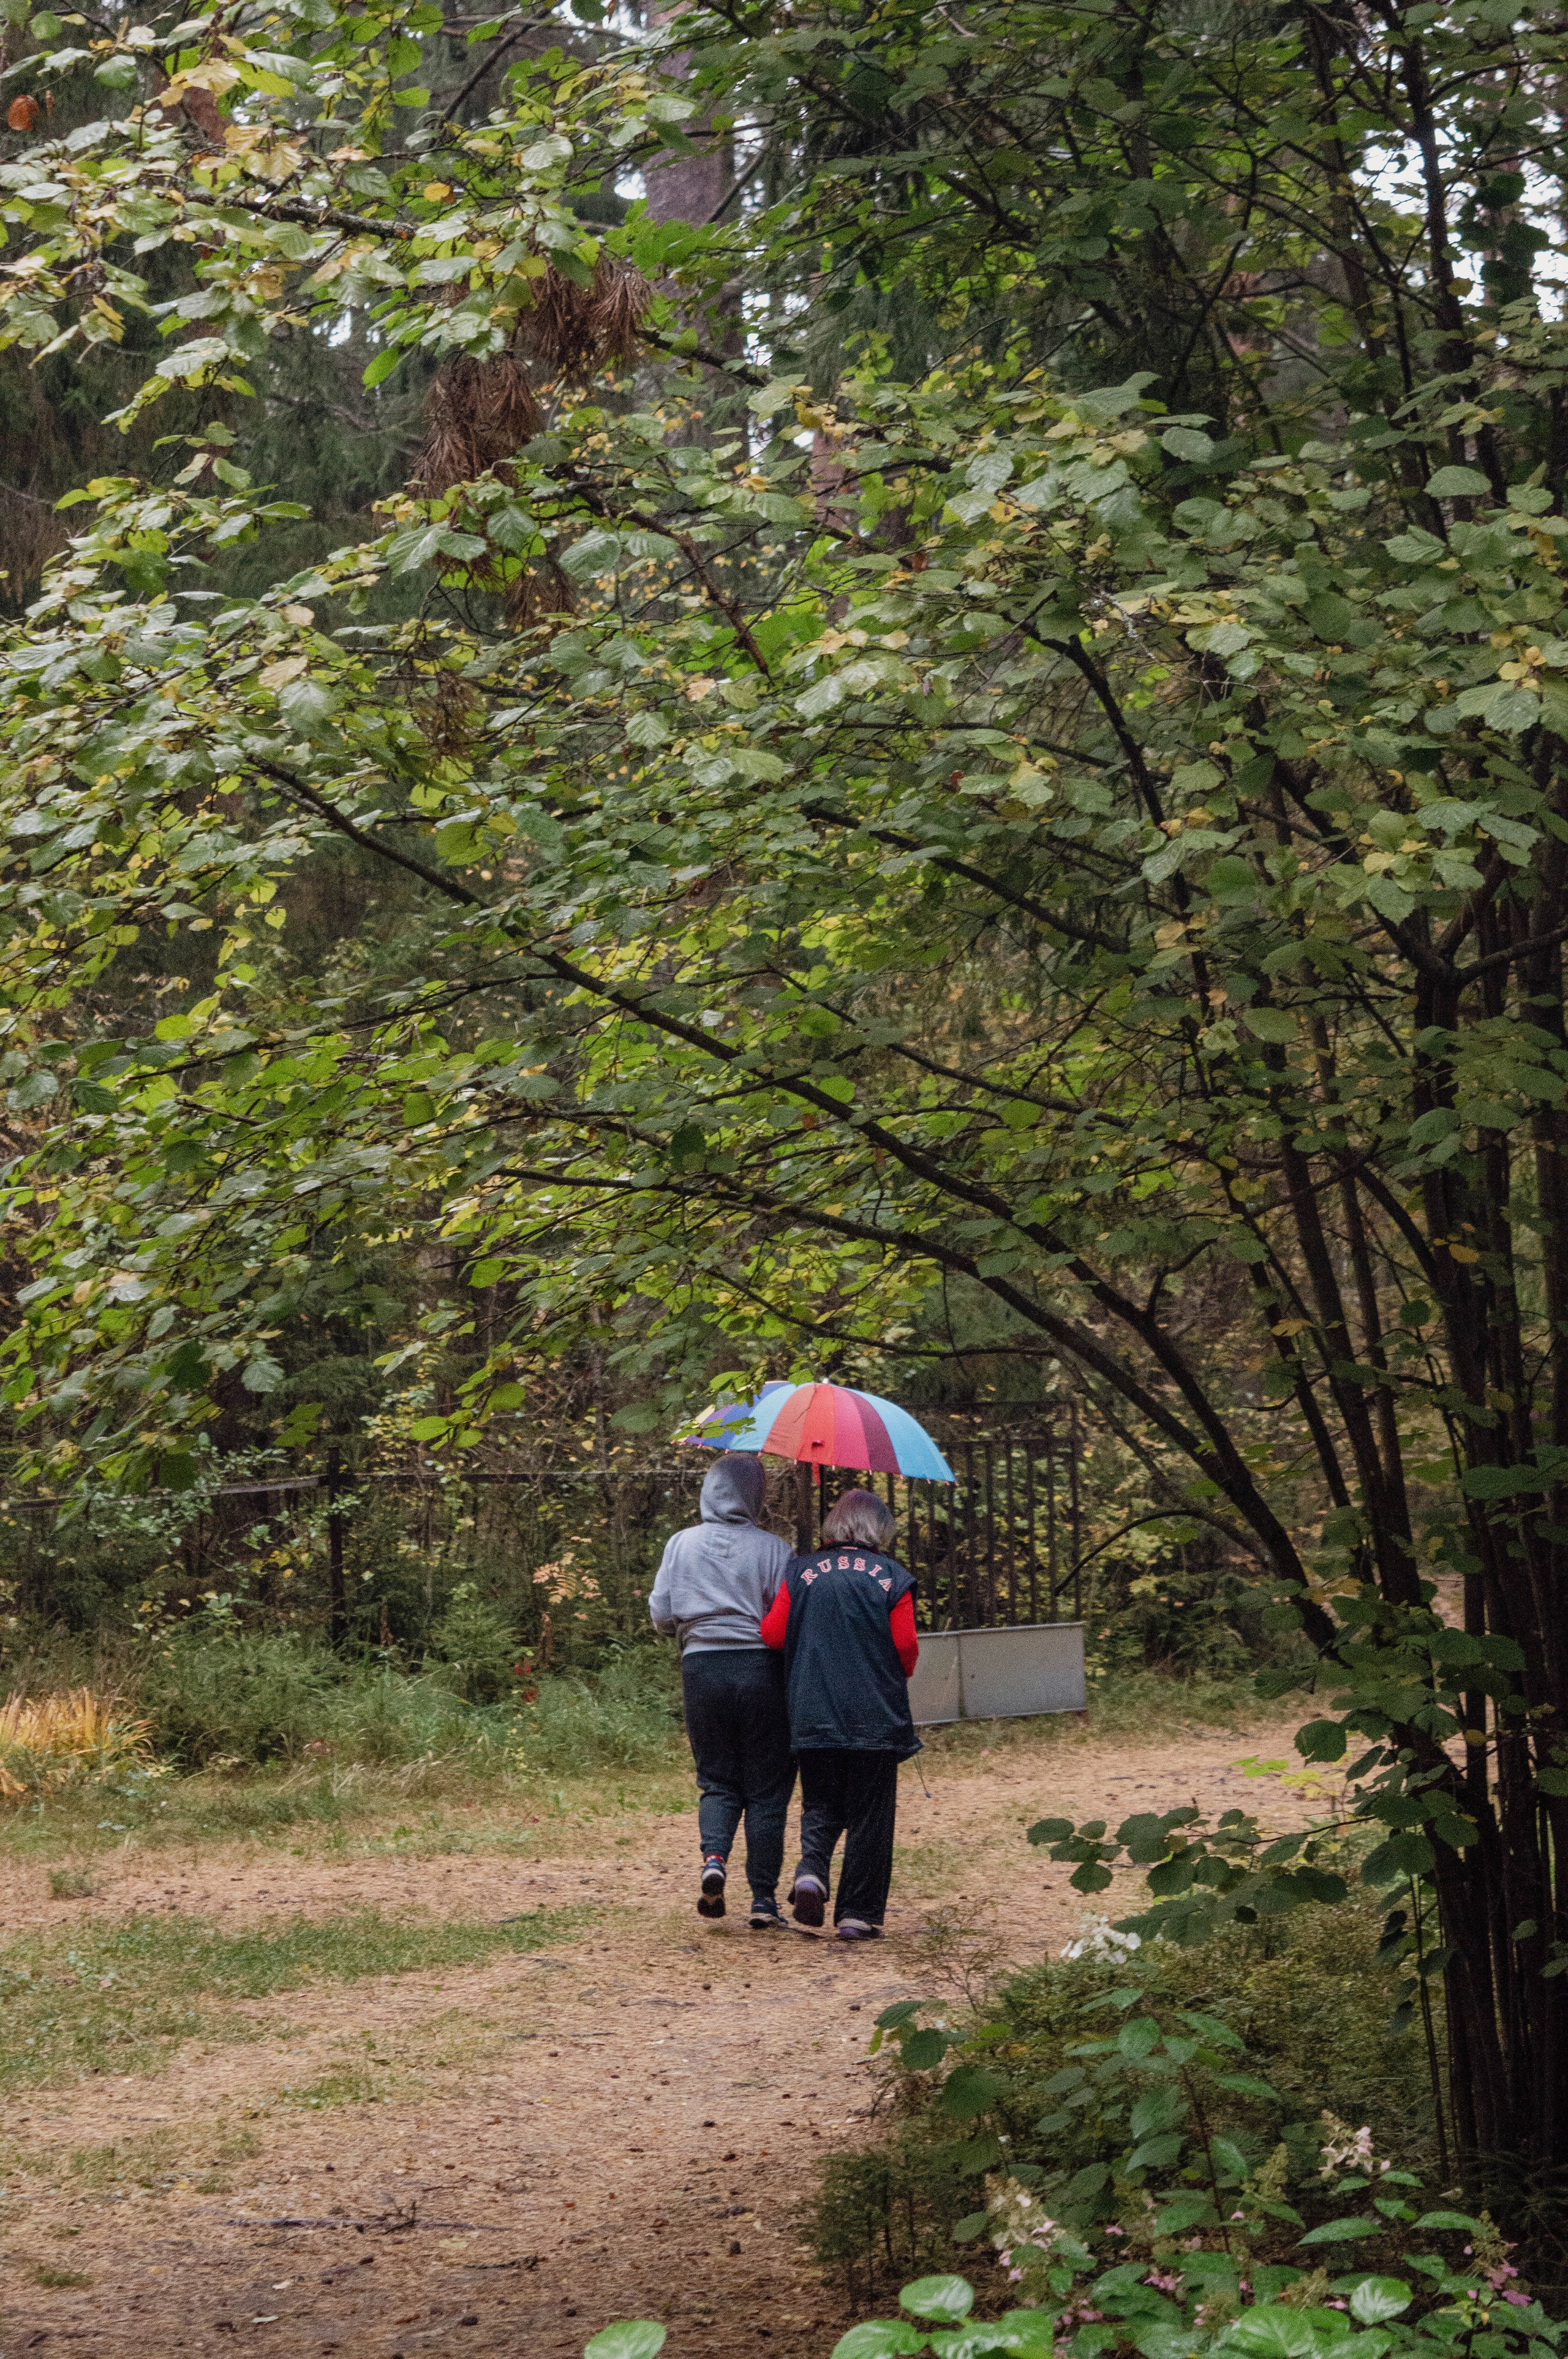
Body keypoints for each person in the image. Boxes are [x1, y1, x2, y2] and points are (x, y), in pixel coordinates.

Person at [759, 1487, 919, 1941]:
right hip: (874, 1716)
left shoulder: (800, 1572)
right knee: (870, 1813)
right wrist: (896, 1670)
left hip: (812, 1710)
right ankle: (856, 1914)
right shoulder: (893, 1577)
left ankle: (810, 1872)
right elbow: (906, 1646)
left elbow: (772, 1634)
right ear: (879, 1529)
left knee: (821, 1802)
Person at [648, 1454, 796, 1928]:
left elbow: (660, 1615)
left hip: (702, 1670)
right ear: (757, 1496)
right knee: (768, 1788)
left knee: (717, 1778)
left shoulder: (680, 1544)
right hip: (761, 1671)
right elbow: (785, 1622)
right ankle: (764, 1900)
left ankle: (714, 1859)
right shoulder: (776, 1549)